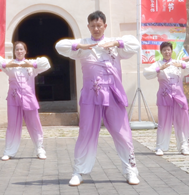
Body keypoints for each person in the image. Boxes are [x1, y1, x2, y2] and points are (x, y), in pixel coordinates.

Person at [55, 11, 141, 186]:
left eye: (99, 25)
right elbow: (60, 46)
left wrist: (117, 42)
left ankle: (130, 170)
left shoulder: (114, 44)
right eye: (92, 26)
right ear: (88, 27)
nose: (96, 28)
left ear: (105, 26)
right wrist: (79, 46)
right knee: (86, 132)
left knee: (121, 132)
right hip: (90, 95)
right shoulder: (82, 45)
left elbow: (135, 44)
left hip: (113, 94)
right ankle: (78, 171)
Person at [0, 41, 51, 161]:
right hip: (14, 98)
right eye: (17, 49)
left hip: (28, 97)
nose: (19, 51)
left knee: (34, 124)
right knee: (12, 125)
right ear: (14, 51)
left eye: (21, 49)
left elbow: (46, 63)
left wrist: (31, 64)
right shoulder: (10, 65)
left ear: (25, 51)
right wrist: (6, 64)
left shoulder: (30, 65)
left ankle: (40, 149)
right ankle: (9, 151)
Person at [143, 41, 189, 156]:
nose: (167, 52)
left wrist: (182, 65)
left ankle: (184, 146)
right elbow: (147, 73)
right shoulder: (158, 63)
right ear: (161, 52)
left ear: (171, 51)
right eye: (164, 50)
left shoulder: (177, 63)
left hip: (178, 97)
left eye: (168, 50)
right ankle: (160, 146)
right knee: (163, 122)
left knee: (181, 122)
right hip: (164, 97)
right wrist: (159, 69)